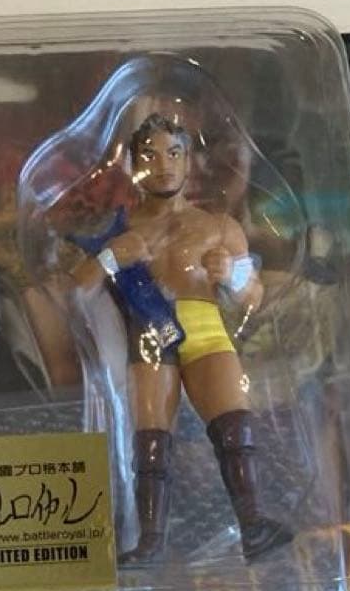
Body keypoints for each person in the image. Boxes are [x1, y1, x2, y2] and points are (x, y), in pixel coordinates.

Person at [73, 113, 291, 562]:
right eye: (150, 155)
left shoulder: (219, 226)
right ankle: (150, 541)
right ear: (133, 164)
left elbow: (253, 296)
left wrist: (231, 276)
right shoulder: (118, 229)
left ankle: (253, 524)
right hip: (150, 334)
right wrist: (112, 257)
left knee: (235, 427)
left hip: (205, 328)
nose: (164, 164)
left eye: (173, 153)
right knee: (151, 440)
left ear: (188, 161)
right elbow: (76, 290)